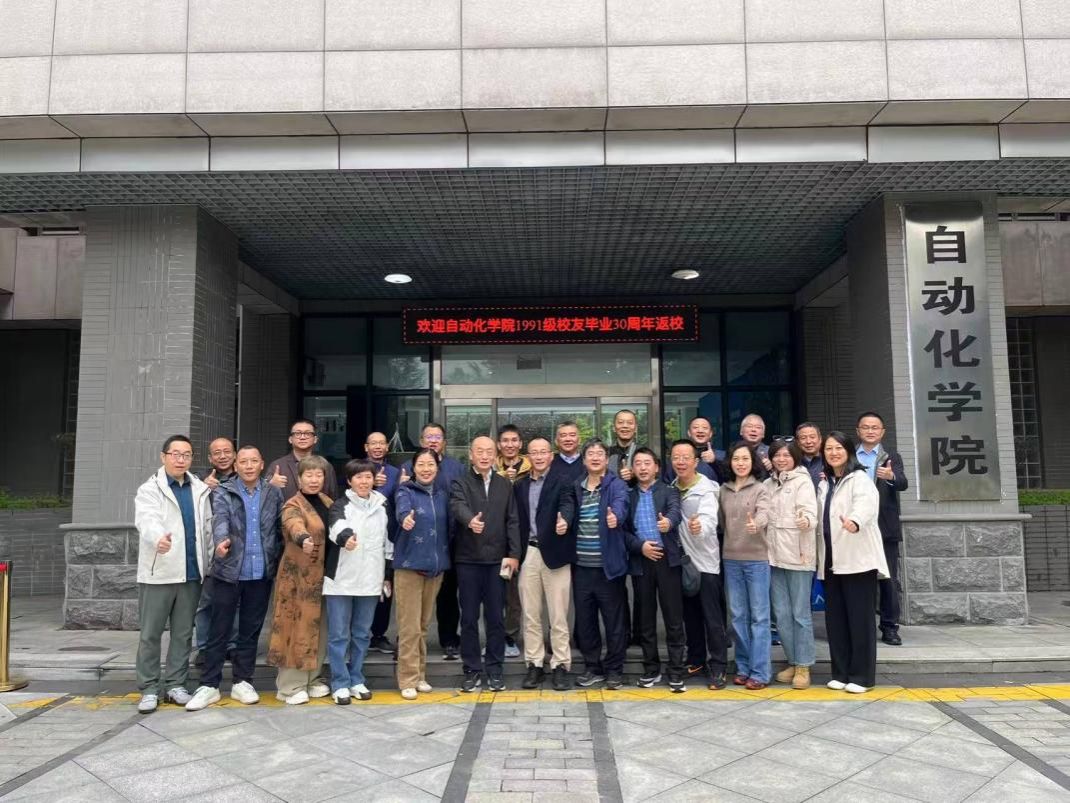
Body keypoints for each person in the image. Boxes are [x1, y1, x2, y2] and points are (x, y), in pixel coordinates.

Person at [187, 446, 285, 711]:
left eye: (254, 461)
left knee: (250, 631)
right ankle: (209, 685)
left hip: (260, 572)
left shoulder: (273, 493)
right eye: (243, 461)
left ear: (262, 464)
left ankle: (243, 681)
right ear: (236, 465)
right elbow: (220, 519)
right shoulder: (223, 491)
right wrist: (221, 542)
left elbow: (279, 528)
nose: (249, 466)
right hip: (229, 570)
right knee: (219, 629)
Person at [133, 435, 213, 713]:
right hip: (160, 572)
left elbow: (207, 529)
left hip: (191, 573)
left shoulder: (200, 489)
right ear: (163, 456)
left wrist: (212, 557)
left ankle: (176, 684)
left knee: (183, 633)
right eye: (175, 454)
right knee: (151, 634)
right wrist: (159, 539)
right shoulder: (150, 489)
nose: (181, 459)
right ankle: (149, 688)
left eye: (186, 455)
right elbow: (147, 520)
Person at [818, 431, 890, 694]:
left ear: (848, 451)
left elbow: (867, 506)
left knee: (860, 621)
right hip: (832, 560)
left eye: (838, 448)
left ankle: (862, 677)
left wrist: (855, 521)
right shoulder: (825, 483)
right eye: (828, 449)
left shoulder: (859, 479)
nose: (833, 453)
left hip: (858, 560)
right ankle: (841, 672)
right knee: (836, 621)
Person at [450, 435, 521, 692]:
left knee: (496, 618)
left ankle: (495, 668)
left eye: (489, 451)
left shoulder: (504, 484)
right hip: (468, 559)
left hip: (497, 561)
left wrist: (514, 554)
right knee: (469, 618)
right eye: (479, 451)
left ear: (495, 455)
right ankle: (471, 669)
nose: (484, 455)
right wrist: (470, 520)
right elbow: (456, 505)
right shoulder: (460, 481)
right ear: (471, 455)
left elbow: (512, 520)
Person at [558, 439, 631, 689]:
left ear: (607, 459)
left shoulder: (616, 485)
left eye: (600, 453)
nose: (596, 457)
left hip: (608, 567)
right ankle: (592, 667)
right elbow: (568, 509)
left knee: (614, 622)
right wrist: (564, 521)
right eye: (591, 453)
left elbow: (621, 505)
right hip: (582, 568)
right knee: (586, 621)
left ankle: (614, 669)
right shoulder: (576, 486)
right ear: (584, 459)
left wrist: (615, 517)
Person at [266, 456, 333, 705]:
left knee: (318, 627)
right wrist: (303, 537)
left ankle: (311, 679)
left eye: (319, 475)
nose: (314, 480)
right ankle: (290, 686)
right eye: (309, 475)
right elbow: (293, 524)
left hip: (321, 578)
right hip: (296, 579)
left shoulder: (327, 501)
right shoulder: (292, 504)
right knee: (294, 628)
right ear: (299, 478)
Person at [325, 459, 392, 704]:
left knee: (362, 633)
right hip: (341, 579)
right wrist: (346, 538)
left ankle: (356, 679)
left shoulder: (383, 505)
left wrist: (387, 576)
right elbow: (336, 526)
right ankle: (339, 682)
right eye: (359, 477)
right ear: (349, 481)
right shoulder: (340, 504)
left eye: (368, 477)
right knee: (339, 634)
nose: (364, 481)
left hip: (371, 579)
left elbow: (388, 544)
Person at [402, 422, 465, 661]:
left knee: (447, 594)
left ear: (444, 442)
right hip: (416, 542)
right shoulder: (407, 466)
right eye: (429, 437)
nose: (433, 440)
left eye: (438, 437)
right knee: (414, 599)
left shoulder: (456, 467)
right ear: (421, 441)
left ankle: (449, 639)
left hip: (449, 540)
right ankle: (409, 643)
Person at [392, 448, 452, 699]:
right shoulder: (405, 491)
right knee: (409, 627)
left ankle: (420, 675)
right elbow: (402, 510)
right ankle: (407, 678)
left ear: (437, 468)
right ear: (413, 468)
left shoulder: (442, 494)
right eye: (421, 464)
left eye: (431, 464)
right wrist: (405, 519)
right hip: (409, 567)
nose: (426, 469)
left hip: (435, 568)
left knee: (423, 626)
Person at [515, 437, 573, 691]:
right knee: (530, 614)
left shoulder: (563, 480)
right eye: (534, 453)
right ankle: (535, 664)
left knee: (558, 615)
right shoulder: (520, 485)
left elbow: (568, 504)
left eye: (543, 452)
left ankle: (560, 665)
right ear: (528, 457)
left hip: (555, 553)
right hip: (529, 553)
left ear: (551, 455)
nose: (539, 457)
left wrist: (565, 521)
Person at [669, 439, 727, 690]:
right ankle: (696, 661)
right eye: (676, 457)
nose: (680, 462)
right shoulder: (672, 488)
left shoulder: (706, 489)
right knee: (690, 617)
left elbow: (708, 518)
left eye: (686, 457)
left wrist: (698, 527)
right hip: (684, 564)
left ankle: (719, 666)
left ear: (695, 461)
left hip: (705, 563)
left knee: (712, 618)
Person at [626, 448, 685, 691]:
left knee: (673, 619)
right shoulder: (628, 495)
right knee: (646, 620)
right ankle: (651, 669)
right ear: (633, 469)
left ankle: (676, 670)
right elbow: (623, 531)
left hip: (666, 560)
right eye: (638, 463)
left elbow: (675, 512)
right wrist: (640, 546)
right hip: (642, 560)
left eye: (647, 463)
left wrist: (667, 522)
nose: (642, 467)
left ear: (657, 467)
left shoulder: (669, 491)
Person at [764, 440, 819, 690]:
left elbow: (810, 513)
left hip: (799, 556)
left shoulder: (802, 482)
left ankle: (804, 666)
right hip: (774, 557)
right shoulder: (768, 484)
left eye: (786, 455)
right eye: (777, 455)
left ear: (795, 457)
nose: (781, 459)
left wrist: (806, 520)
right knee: (782, 615)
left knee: (800, 614)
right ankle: (794, 661)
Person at [719, 441, 772, 690]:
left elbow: (764, 513)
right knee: (738, 616)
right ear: (730, 462)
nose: (740, 463)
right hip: (731, 559)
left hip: (757, 560)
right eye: (736, 459)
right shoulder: (723, 490)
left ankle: (760, 672)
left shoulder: (761, 488)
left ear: (753, 462)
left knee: (759, 618)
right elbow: (721, 523)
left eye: (745, 459)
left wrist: (756, 524)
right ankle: (742, 667)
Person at [855, 412, 908, 647]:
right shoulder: (849, 455)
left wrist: (891, 476)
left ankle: (889, 627)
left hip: (884, 527)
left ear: (882, 432)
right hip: (856, 528)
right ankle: (863, 626)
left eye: (874, 427)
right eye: (865, 427)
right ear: (858, 431)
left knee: (887, 580)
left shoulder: (891, 457)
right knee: (859, 580)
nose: (870, 431)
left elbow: (903, 483)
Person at [194, 437, 238, 661]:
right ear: (210, 458)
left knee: (235, 601)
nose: (222, 456)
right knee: (206, 601)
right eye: (217, 453)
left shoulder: (244, 477)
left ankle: (232, 644)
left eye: (227, 451)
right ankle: (204, 646)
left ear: (235, 454)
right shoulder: (198, 480)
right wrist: (203, 488)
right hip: (209, 548)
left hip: (236, 547)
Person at [495, 424, 530, 659]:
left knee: (515, 594)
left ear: (520, 444)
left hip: (524, 538)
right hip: (496, 539)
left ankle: (510, 637)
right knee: (495, 593)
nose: (510, 445)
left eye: (514, 440)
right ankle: (494, 636)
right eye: (505, 440)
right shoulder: (490, 468)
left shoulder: (530, 469)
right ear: (499, 445)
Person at [365, 431, 400, 657]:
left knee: (386, 586)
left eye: (381, 443)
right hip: (362, 540)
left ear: (387, 447)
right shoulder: (356, 469)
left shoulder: (396, 472)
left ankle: (379, 634)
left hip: (388, 538)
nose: (378, 447)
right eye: (373, 443)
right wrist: (371, 485)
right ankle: (359, 634)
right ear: (366, 447)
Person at [267, 419, 340, 500]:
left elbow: (333, 497)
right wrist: (270, 485)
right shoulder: (278, 465)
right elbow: (264, 500)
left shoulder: (326, 466)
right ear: (290, 439)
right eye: (297, 433)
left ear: (315, 439)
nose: (302, 437)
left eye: (308, 433)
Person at [664, 417, 728, 485]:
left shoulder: (723, 456)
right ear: (689, 433)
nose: (700, 430)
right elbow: (668, 483)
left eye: (705, 428)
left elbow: (730, 480)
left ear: (710, 433)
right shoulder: (678, 458)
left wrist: (714, 461)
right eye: (695, 427)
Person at [548, 420, 585, 484]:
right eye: (563, 435)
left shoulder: (587, 462)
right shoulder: (549, 462)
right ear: (556, 441)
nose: (568, 439)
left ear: (579, 440)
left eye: (572, 435)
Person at [607, 409, 640, 482]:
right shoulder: (607, 453)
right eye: (620, 422)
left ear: (636, 428)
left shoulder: (644, 452)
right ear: (614, 428)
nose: (625, 426)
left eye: (630, 423)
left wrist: (635, 474)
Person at [739, 414, 772, 478]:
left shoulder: (771, 452)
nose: (753, 430)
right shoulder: (734, 451)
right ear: (741, 431)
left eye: (758, 427)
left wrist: (773, 467)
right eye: (749, 426)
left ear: (763, 434)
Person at [795, 422, 824, 489]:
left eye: (812, 437)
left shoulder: (829, 462)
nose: (808, 441)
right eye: (803, 438)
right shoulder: (793, 464)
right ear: (798, 442)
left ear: (820, 439)